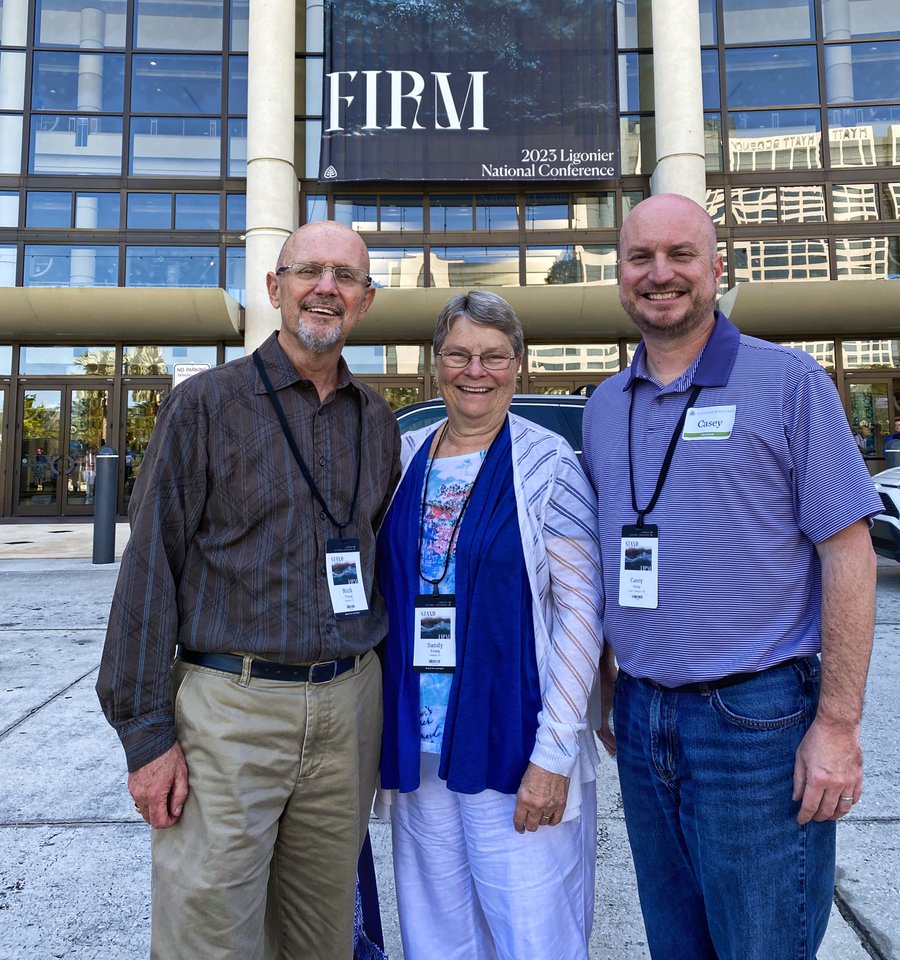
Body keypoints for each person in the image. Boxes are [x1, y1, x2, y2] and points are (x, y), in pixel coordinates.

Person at [582, 193, 881, 960]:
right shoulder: (604, 405)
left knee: (763, 944)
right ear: (621, 274)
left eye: (681, 255)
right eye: (641, 257)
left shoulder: (788, 382)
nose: (660, 274)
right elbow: (616, 551)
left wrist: (839, 726)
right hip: (644, 722)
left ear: (718, 268)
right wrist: (612, 672)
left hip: (756, 724)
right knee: (676, 946)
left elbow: (849, 552)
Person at [96, 221, 401, 960]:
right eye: (309, 271)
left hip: (347, 706)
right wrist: (145, 736)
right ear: (274, 287)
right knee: (212, 937)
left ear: (364, 301)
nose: (325, 288)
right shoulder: (205, 407)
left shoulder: (379, 423)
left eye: (345, 277)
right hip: (229, 711)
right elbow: (149, 570)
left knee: (321, 937)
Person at [376, 290, 603, 960]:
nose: (475, 370)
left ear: (517, 365)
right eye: (459, 354)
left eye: (493, 356)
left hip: (514, 745)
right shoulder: (402, 457)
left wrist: (554, 755)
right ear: (435, 364)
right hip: (421, 750)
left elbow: (579, 615)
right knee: (435, 934)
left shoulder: (549, 464)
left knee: (534, 933)